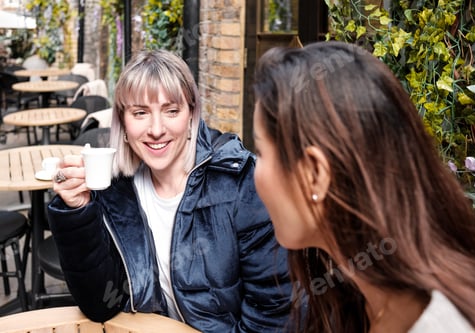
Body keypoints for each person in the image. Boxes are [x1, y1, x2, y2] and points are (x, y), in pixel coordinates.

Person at [252, 41, 475, 332]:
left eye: (260, 151)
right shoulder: (359, 295)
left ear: (315, 172)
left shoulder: (440, 324)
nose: (256, 170)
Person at [47, 49, 292, 332]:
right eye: (140, 112)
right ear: (123, 124)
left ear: (191, 116)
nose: (156, 129)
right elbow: (101, 305)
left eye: (171, 111)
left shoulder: (241, 183)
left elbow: (273, 317)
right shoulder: (115, 187)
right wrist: (78, 211)